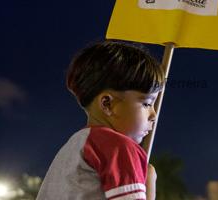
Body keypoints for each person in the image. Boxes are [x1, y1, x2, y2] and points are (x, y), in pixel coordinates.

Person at [36, 40, 164, 200]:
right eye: (147, 103)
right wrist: (150, 186)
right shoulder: (119, 146)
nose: (154, 115)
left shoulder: (72, 147)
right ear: (107, 104)